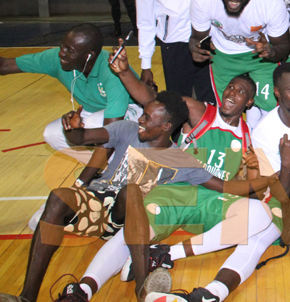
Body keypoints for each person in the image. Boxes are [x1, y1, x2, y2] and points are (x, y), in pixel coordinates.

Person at [57, 48, 275, 302]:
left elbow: (235, 184)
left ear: (249, 102)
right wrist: (126, 73)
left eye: (240, 92)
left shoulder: (249, 134)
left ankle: (163, 254)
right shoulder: (201, 112)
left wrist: (255, 170)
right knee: (133, 231)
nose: (231, 94)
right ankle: (84, 288)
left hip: (209, 199)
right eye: (230, 88)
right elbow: (154, 102)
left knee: (261, 215)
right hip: (176, 190)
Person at [0, 91, 217, 302]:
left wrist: (252, 180)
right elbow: (82, 137)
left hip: (129, 220)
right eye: (143, 114)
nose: (140, 119)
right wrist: (71, 129)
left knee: (131, 190)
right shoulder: (127, 129)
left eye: (147, 117)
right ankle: (27, 296)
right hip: (99, 202)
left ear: (166, 126)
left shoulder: (181, 159)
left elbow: (223, 186)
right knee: (57, 197)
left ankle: (142, 288)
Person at [147, 63, 290, 302]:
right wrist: (286, 165)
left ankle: (178, 264)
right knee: (258, 234)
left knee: (258, 234)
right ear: (277, 92)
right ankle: (212, 291)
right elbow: (276, 191)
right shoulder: (263, 133)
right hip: (283, 196)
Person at [0, 24, 140, 165]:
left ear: (89, 56)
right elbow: (5, 65)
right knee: (53, 134)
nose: (61, 53)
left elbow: (112, 132)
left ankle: (126, 167)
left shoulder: (111, 71)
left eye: (69, 50)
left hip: (131, 113)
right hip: (94, 112)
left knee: (93, 124)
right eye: (62, 46)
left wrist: (82, 180)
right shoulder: (57, 59)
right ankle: (106, 168)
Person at [189, 0, 290, 127]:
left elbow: (284, 46)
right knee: (227, 110)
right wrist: (195, 49)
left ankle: (263, 148)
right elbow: (196, 39)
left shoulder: (270, 1)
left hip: (260, 56)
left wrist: (271, 52)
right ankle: (233, 150)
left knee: (270, 108)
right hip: (223, 54)